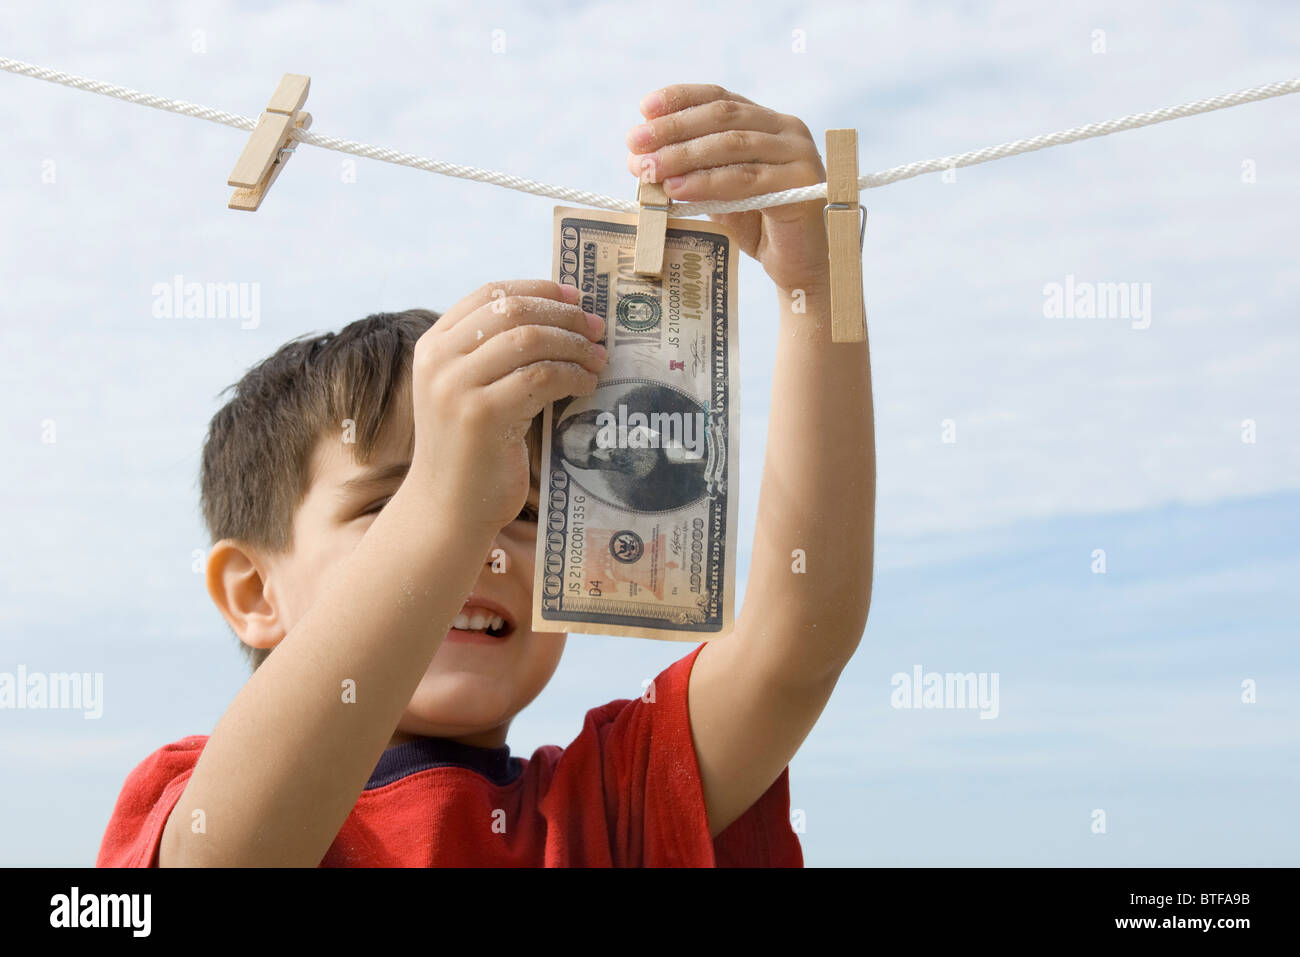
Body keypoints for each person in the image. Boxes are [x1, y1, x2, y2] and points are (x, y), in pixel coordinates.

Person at [95, 83, 876, 867]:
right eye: (391, 501)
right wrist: (442, 507)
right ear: (253, 592)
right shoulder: (192, 794)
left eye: (526, 510)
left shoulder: (611, 798)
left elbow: (797, 640)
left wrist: (817, 290)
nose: (485, 544)